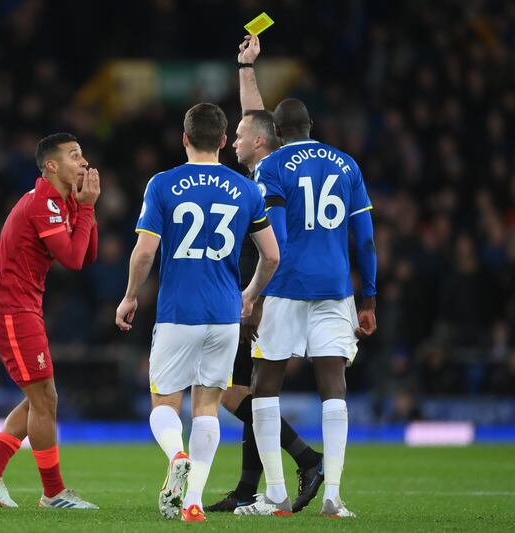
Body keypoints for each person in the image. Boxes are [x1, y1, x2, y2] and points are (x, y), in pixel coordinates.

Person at [232, 36, 378, 519]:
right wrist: (370, 298)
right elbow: (366, 240)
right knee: (332, 387)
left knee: (265, 383)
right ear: (311, 127)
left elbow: (273, 240)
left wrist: (253, 294)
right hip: (336, 289)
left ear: (275, 131)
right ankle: (333, 497)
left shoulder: (271, 166)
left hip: (286, 288)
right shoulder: (347, 164)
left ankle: (274, 495)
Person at [116, 103, 280, 523]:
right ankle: (192, 502)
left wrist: (131, 296)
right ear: (225, 141)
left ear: (185, 138)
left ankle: (177, 455)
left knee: (164, 402)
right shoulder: (246, 189)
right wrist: (250, 294)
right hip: (225, 315)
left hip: (178, 311)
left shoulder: (163, 184)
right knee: (207, 406)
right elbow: (272, 256)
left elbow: (146, 250)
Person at [205, 34, 324, 515]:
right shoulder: (277, 162)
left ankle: (305, 459)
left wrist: (252, 296)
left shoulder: (268, 172)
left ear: (259, 143)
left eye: (239, 136)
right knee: (250, 388)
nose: (233, 140)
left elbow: (256, 126)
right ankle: (248, 488)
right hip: (282, 287)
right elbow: (259, 120)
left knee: (235, 392)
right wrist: (246, 66)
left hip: (272, 291)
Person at [0, 133, 99, 510]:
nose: (84, 162)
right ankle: (53, 493)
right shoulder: (43, 201)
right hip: (11, 308)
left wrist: (85, 206)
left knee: (39, 398)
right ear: (52, 166)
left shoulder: (59, 201)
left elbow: (86, 255)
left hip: (20, 306)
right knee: (45, 399)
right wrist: (87, 208)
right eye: (75, 156)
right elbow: (74, 260)